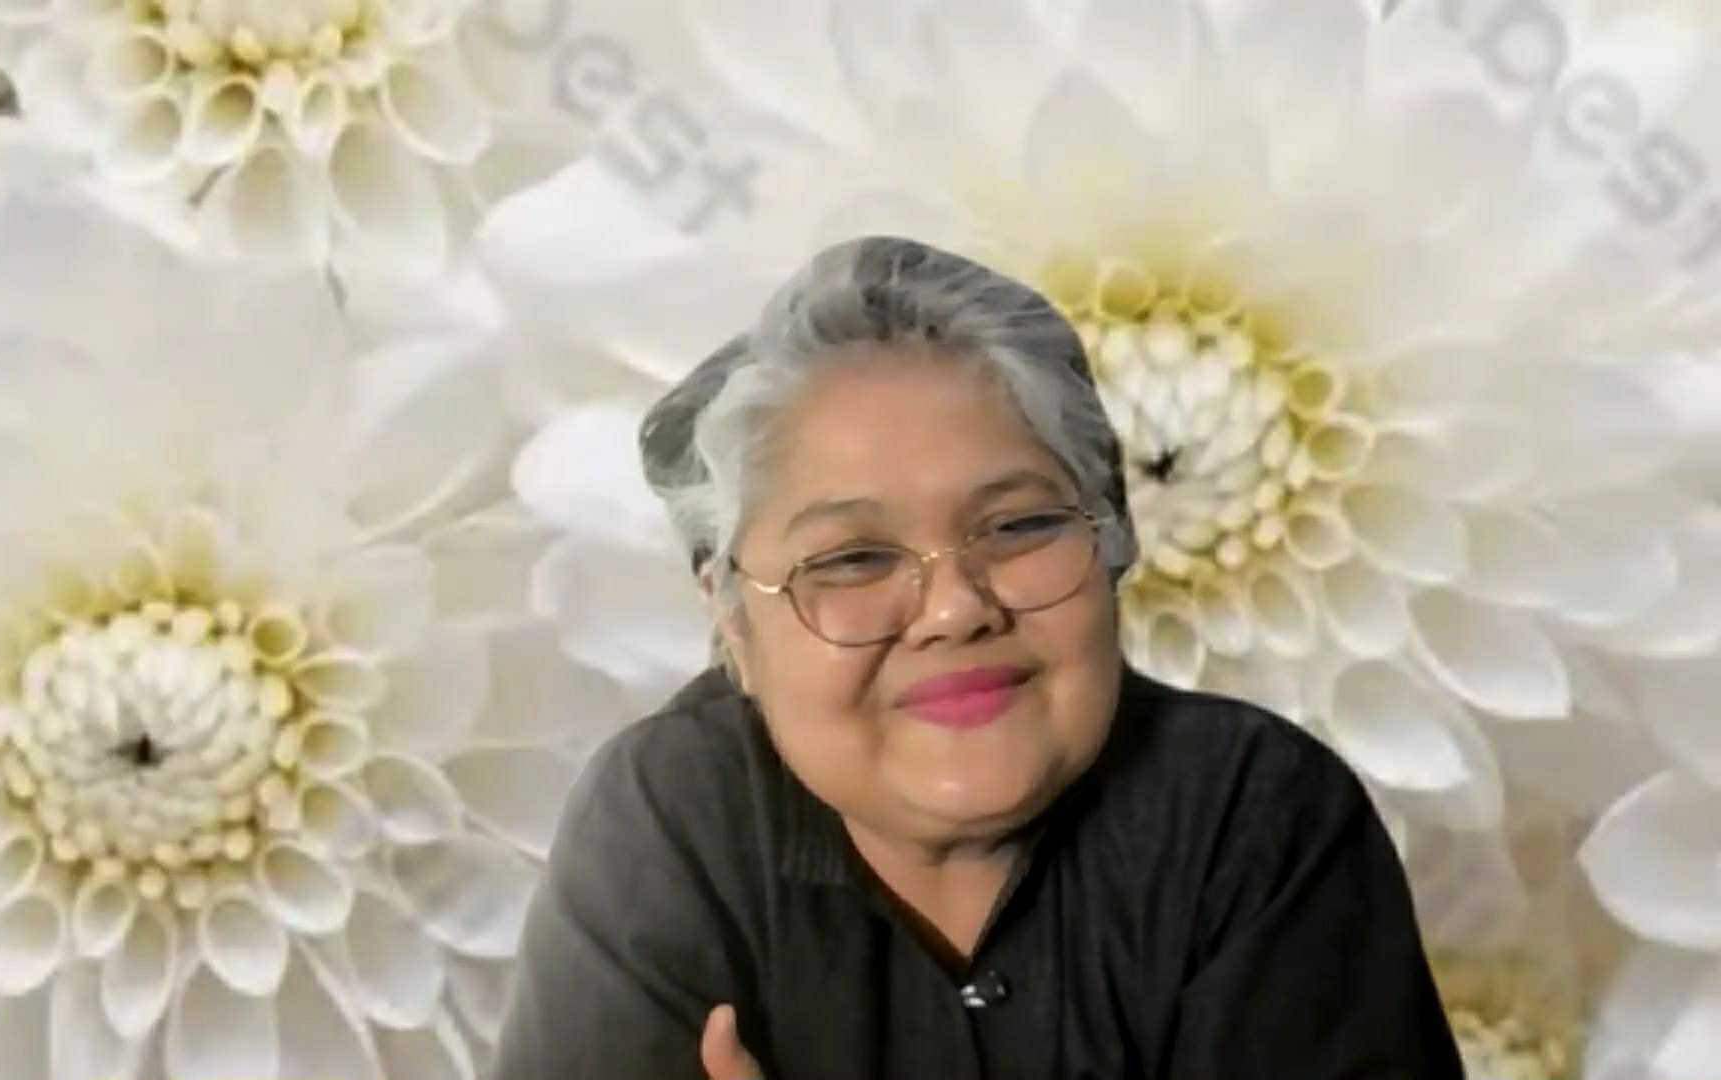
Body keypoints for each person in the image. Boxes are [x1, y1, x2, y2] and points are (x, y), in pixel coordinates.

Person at [490, 236, 1464, 1078]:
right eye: (853, 559)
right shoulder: (665, 823)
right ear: (733, 617)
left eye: (1019, 526)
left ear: (1113, 542)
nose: (956, 609)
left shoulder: (1256, 814)